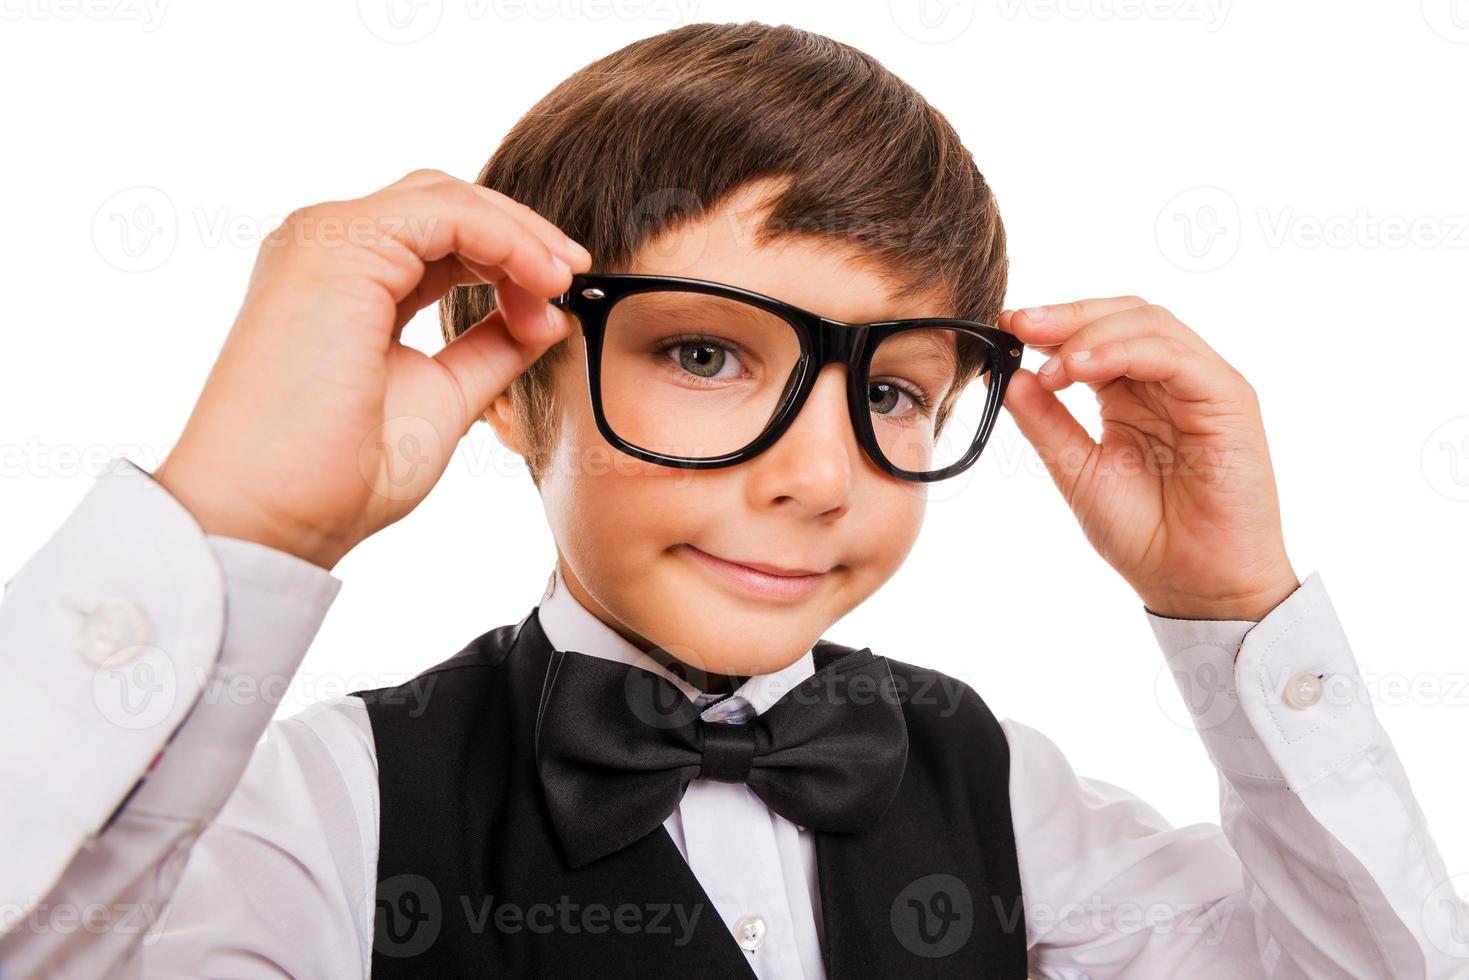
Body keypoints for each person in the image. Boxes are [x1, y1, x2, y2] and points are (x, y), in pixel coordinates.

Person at [1, 21, 1462, 979]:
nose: (819, 474)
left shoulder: (992, 780)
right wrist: (239, 521)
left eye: (889, 392)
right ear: (510, 382)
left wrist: (1231, 611)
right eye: (702, 354)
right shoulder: (325, 809)